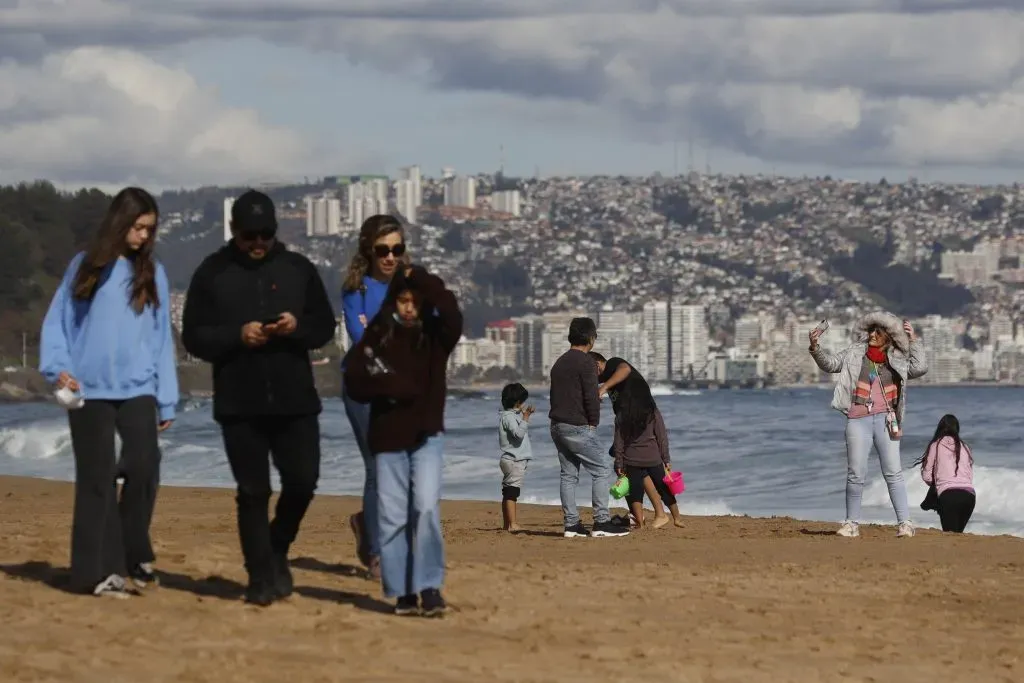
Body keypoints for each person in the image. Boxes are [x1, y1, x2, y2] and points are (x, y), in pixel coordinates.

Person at [181, 190, 337, 606]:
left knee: (303, 483)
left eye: (265, 235)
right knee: (253, 492)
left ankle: (275, 548)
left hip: (295, 400)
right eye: (250, 235)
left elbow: (324, 326)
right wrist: (237, 335)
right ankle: (259, 578)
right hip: (239, 402)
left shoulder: (297, 269)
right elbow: (192, 335)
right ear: (234, 231)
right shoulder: (211, 273)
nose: (258, 243)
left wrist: (295, 327)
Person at [39, 187, 178, 597]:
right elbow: (58, 322)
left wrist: (166, 397)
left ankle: (127, 550)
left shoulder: (152, 273)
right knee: (96, 481)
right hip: (88, 389)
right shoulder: (85, 267)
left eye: (150, 230)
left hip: (138, 389)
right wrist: (58, 369)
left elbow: (161, 339)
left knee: (143, 464)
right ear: (120, 223)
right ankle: (91, 574)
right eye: (138, 227)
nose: (143, 237)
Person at [343, 264, 463, 617]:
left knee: (425, 508)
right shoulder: (379, 334)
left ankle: (430, 588)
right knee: (394, 516)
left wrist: (422, 277)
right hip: (388, 438)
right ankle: (403, 592)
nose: (408, 307)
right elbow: (354, 379)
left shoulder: (436, 337)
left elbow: (452, 311)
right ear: (394, 302)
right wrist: (392, 387)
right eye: (402, 300)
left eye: (414, 301)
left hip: (427, 436)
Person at [809, 312, 928, 538]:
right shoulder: (855, 352)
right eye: (871, 331)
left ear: (888, 336)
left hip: (886, 420)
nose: (872, 335)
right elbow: (831, 364)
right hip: (857, 419)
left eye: (878, 332)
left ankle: (905, 523)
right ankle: (851, 524)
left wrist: (913, 340)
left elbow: (920, 368)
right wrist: (815, 347)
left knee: (893, 473)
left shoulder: (898, 357)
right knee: (855, 473)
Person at [340, 214, 408, 579]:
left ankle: (366, 524)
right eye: (383, 249)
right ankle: (378, 554)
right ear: (369, 249)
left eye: (397, 249)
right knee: (377, 468)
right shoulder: (357, 289)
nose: (390, 256)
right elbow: (360, 338)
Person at [548, 318, 628, 539]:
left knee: (568, 475)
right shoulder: (585, 363)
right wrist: (593, 423)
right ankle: (601, 521)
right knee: (601, 468)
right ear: (590, 338)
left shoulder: (559, 362)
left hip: (556, 425)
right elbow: (591, 397)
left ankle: (571, 525)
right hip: (577, 425)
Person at [601, 363, 685, 530]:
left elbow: (619, 442)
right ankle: (677, 518)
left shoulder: (621, 416)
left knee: (634, 493)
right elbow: (662, 437)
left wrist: (618, 463)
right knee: (665, 490)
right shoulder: (652, 412)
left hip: (631, 460)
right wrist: (666, 459)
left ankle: (639, 521)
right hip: (653, 458)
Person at [591, 352, 669, 527]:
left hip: (642, 417)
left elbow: (625, 369)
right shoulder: (606, 378)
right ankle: (645, 514)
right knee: (634, 468)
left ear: (597, 364)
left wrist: (603, 389)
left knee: (630, 465)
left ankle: (654, 513)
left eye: (591, 371)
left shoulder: (612, 364)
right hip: (629, 422)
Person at [917, 414, 975, 533]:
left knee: (950, 535)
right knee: (958, 534)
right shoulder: (965, 447)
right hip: (969, 496)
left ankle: (930, 503)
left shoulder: (936, 445)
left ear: (940, 428)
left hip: (948, 496)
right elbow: (969, 475)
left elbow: (926, 475)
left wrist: (936, 484)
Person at [497, 383, 534, 532]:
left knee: (508, 492)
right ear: (517, 402)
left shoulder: (507, 415)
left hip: (509, 458)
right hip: (514, 460)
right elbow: (518, 435)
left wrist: (524, 415)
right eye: (522, 402)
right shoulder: (510, 418)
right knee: (512, 492)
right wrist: (525, 419)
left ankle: (507, 524)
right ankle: (512, 524)